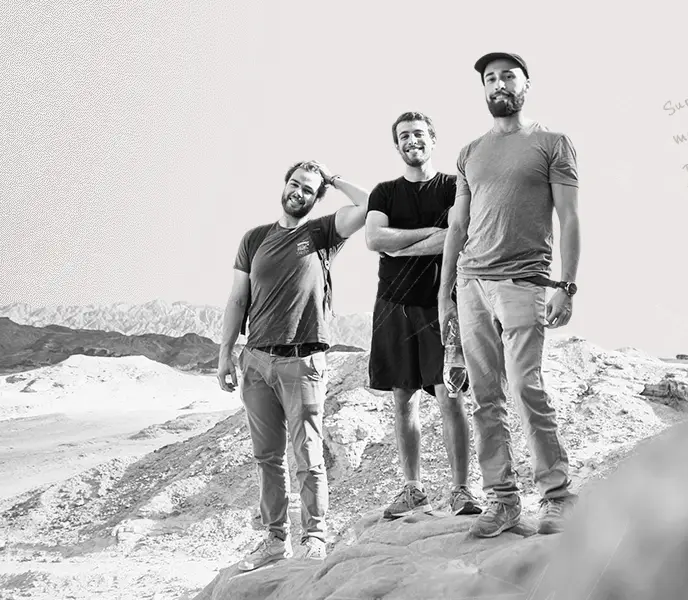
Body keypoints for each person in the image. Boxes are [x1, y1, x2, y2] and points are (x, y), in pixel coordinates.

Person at [439, 52, 583, 538]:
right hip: (470, 284)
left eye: (508, 76)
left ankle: (557, 497)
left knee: (525, 387)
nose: (498, 84)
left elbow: (570, 216)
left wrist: (567, 284)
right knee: (485, 397)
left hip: (524, 281)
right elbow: (458, 225)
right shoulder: (469, 153)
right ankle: (502, 500)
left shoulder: (552, 143)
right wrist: (445, 296)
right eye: (490, 78)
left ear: (526, 85)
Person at [216, 160, 369, 570]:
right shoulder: (254, 239)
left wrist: (332, 180)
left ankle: (314, 537)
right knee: (267, 458)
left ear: (316, 198)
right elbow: (237, 299)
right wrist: (225, 352)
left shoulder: (321, 234)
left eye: (308, 189)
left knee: (308, 456)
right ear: (285, 184)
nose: (298, 193)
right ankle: (274, 539)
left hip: (302, 362)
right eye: (295, 184)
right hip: (256, 361)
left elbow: (369, 205)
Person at [364, 112, 483, 520]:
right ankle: (413, 490)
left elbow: (461, 236)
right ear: (396, 145)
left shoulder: (453, 187)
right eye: (403, 136)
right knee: (403, 399)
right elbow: (374, 238)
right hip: (393, 305)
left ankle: (461, 490)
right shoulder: (384, 193)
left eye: (418, 134)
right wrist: (433, 236)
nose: (411, 140)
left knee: (451, 396)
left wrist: (399, 246)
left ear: (433, 139)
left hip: (443, 304)